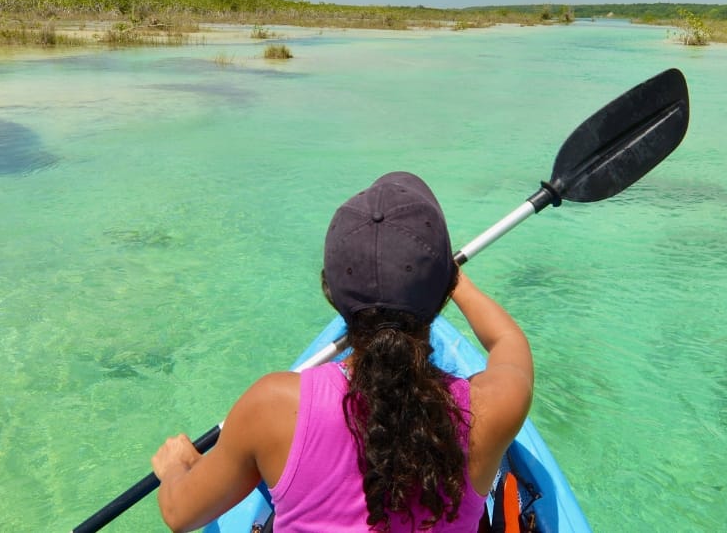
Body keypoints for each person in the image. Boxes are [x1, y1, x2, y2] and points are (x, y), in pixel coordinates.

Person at [151, 171, 535, 532]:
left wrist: (174, 470)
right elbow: (507, 341)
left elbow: (179, 515)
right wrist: (450, 277)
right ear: (445, 290)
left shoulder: (271, 407)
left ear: (330, 292)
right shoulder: (492, 407)